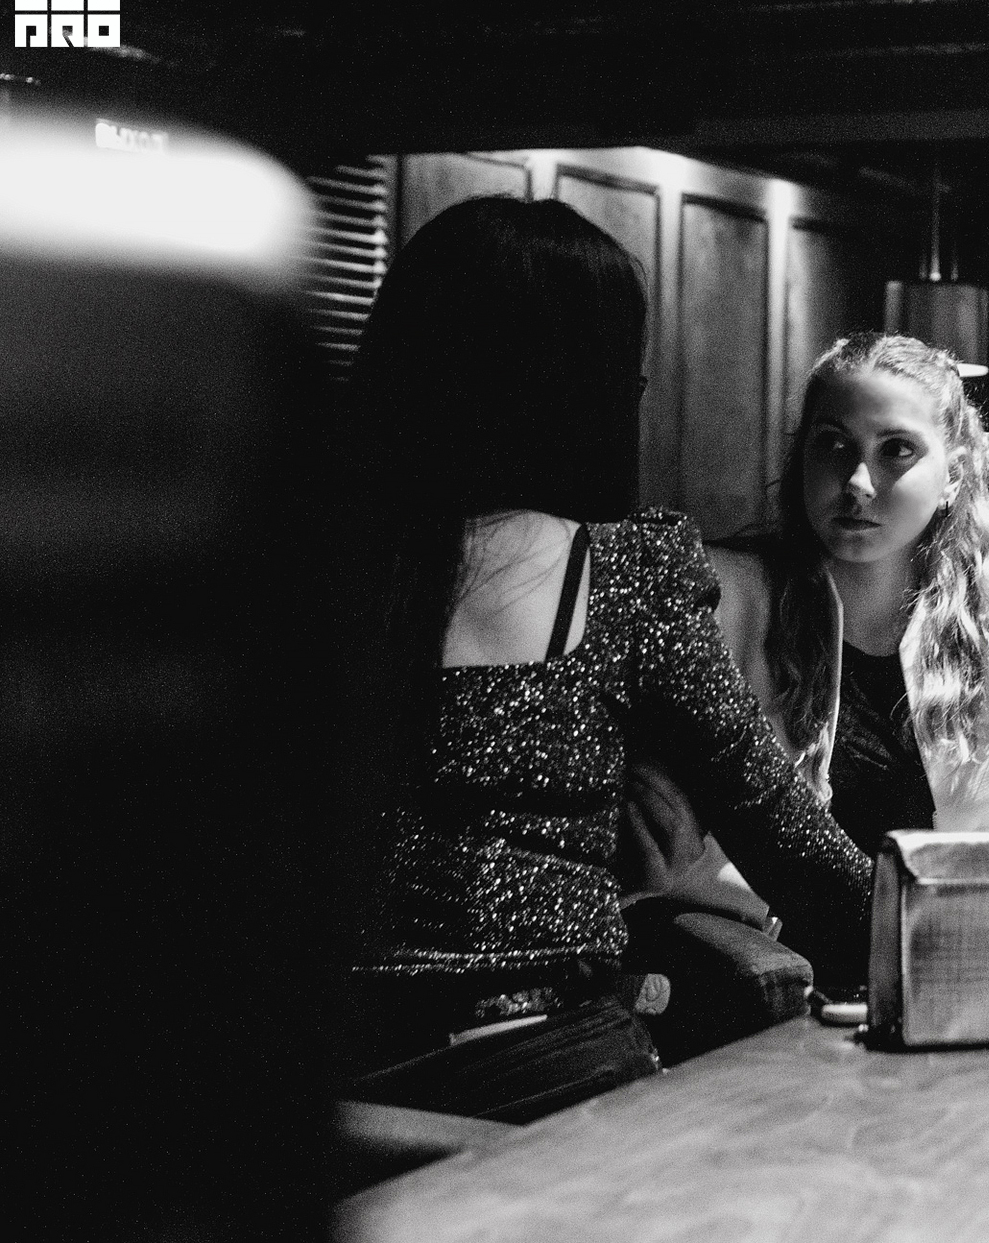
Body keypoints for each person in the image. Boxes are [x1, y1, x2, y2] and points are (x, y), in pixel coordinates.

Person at [338, 197, 871, 1122]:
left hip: (320, 1086)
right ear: (585, 390)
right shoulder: (624, 575)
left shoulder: (285, 562)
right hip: (543, 1070)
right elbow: (787, 840)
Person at [706, 333, 989, 855]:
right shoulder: (723, 601)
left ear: (954, 475)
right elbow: (685, 847)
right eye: (832, 444)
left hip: (945, 911)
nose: (857, 481)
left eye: (897, 449)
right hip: (755, 914)